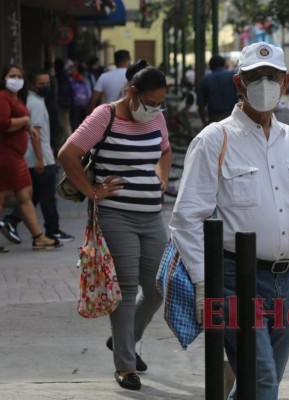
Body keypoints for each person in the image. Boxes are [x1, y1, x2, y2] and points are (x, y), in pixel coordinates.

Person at [170, 41, 289, 399]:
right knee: (261, 381)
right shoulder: (213, 140)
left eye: (271, 76)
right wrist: (201, 282)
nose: (264, 84)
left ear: (286, 82)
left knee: (259, 382)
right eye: (254, 76)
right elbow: (186, 219)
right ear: (237, 83)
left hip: (288, 282)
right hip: (232, 281)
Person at [58, 60, 171, 391]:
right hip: (116, 215)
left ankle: (125, 338)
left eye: (159, 103)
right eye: (150, 102)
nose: (154, 109)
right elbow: (68, 153)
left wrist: (162, 176)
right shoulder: (104, 116)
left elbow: (164, 150)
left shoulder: (158, 119)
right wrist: (92, 191)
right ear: (132, 92)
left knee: (157, 288)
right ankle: (125, 364)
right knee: (126, 289)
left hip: (152, 215)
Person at [2, 70, 74, 244]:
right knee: (45, 196)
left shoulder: (24, 100)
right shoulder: (31, 103)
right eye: (41, 84)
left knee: (28, 196)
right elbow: (32, 133)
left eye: (48, 83)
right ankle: (50, 230)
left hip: (26, 157)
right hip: (34, 158)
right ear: (33, 84)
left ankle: (34, 233)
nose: (46, 87)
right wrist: (41, 159)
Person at [197, 55, 239, 126]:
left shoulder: (205, 80)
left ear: (210, 66)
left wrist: (204, 121)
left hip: (215, 118)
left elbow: (201, 105)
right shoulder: (232, 76)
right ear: (224, 64)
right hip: (232, 115)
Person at [86, 49, 131, 114]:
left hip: (109, 116)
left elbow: (93, 100)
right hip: (128, 116)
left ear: (115, 61)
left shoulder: (104, 76)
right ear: (128, 60)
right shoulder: (134, 76)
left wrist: (89, 117)